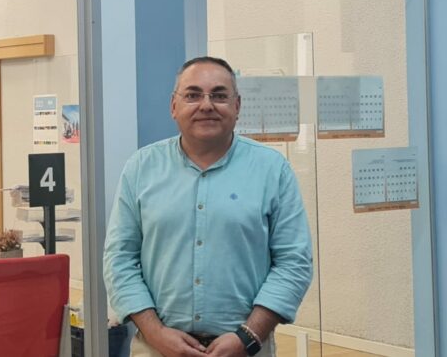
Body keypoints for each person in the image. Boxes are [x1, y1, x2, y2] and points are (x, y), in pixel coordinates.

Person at [104, 57, 313, 357]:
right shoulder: (141, 168)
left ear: (237, 106)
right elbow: (120, 259)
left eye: (219, 95)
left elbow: (294, 262)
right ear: (173, 106)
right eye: (192, 95)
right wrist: (156, 334)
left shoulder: (272, 170)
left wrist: (248, 337)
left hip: (246, 348)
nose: (206, 105)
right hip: (157, 348)